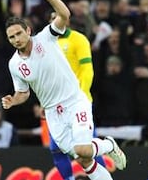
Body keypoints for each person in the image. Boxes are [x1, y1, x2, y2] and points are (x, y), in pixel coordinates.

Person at [2, 0, 126, 180]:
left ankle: (109, 144)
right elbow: (23, 93)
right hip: (53, 113)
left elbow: (64, 14)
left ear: (28, 31)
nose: (16, 39)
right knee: (82, 158)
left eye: (18, 34)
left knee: (84, 150)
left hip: (75, 101)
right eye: (11, 37)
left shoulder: (46, 38)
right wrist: (13, 100)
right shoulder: (14, 64)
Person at [43, 12, 106, 180]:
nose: (56, 21)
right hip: (55, 105)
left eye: (59, 17)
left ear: (66, 19)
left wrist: (82, 95)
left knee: (86, 146)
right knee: (56, 148)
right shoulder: (45, 45)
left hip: (77, 102)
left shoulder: (79, 40)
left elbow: (87, 70)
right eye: (52, 18)